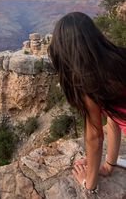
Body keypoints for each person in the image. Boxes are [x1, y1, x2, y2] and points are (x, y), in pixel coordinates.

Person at [48, 11, 126, 194]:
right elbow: (114, 119)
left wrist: (88, 184)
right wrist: (108, 165)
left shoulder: (89, 82)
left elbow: (95, 137)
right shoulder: (118, 60)